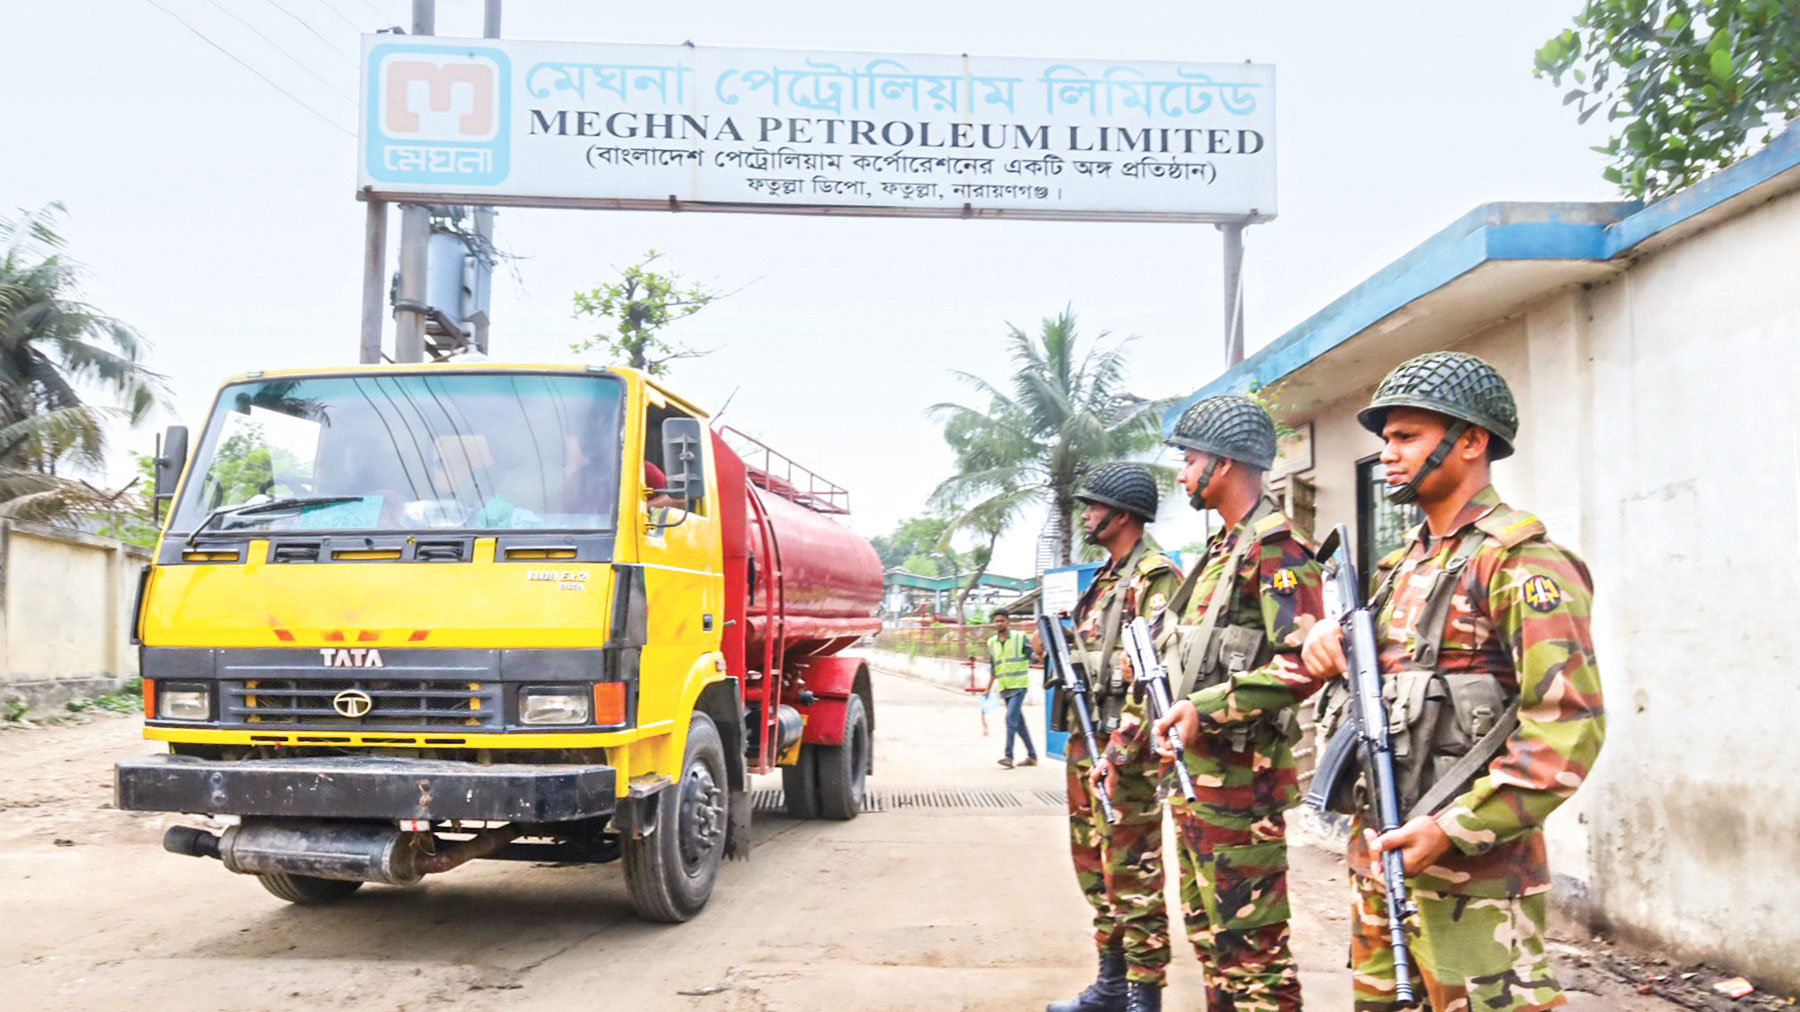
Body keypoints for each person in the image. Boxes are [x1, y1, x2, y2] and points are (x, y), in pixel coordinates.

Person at [1297, 351, 1605, 1012]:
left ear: (1471, 442)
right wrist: (1332, 643)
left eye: (1407, 436)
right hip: (1379, 855)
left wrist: (1454, 828)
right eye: (1386, 439)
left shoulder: (1520, 563)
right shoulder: (1402, 565)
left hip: (1474, 882)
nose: (1387, 454)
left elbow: (1567, 726)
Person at [1148, 395, 1325, 1012]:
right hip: (1198, 786)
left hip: (1243, 792)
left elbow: (1304, 661)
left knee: (1254, 960)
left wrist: (1210, 706)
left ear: (1223, 464)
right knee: (1212, 946)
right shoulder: (1221, 551)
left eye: (1190, 459)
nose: (1182, 473)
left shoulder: (1275, 548)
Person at [1047, 463, 1180, 1012]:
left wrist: (1119, 751)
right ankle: (1110, 983)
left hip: (1126, 750)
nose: (1086, 515)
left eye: (1093, 507)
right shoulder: (1103, 581)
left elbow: (1155, 673)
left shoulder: (1155, 576)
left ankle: (1143, 994)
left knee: (1134, 872)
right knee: (1094, 867)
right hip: (1087, 741)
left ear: (1121, 515)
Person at [984, 610, 1038, 768]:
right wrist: (988, 688)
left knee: (1010, 719)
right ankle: (1032, 755)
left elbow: (1031, 654)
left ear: (1008, 622)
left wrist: (1039, 657)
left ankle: (1008, 756)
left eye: (1002, 620)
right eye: (997, 621)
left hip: (1019, 685)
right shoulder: (991, 642)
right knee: (1018, 723)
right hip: (1005, 687)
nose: (999, 623)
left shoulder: (1019, 637)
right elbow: (994, 667)